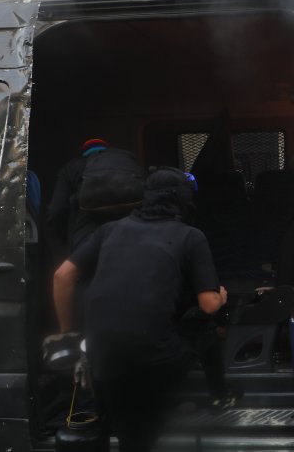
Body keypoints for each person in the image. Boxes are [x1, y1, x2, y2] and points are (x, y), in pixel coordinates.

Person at [52, 167, 227, 452]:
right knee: (203, 324)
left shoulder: (109, 229)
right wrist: (221, 295)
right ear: (184, 201)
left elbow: (62, 276)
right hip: (153, 362)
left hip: (102, 361)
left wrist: (66, 334)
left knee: (131, 436)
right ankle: (220, 396)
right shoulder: (190, 236)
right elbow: (208, 305)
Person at [46, 138, 112, 252]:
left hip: (85, 240)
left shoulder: (71, 168)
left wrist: (66, 236)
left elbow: (56, 210)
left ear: (82, 152)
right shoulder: (127, 163)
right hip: (126, 236)